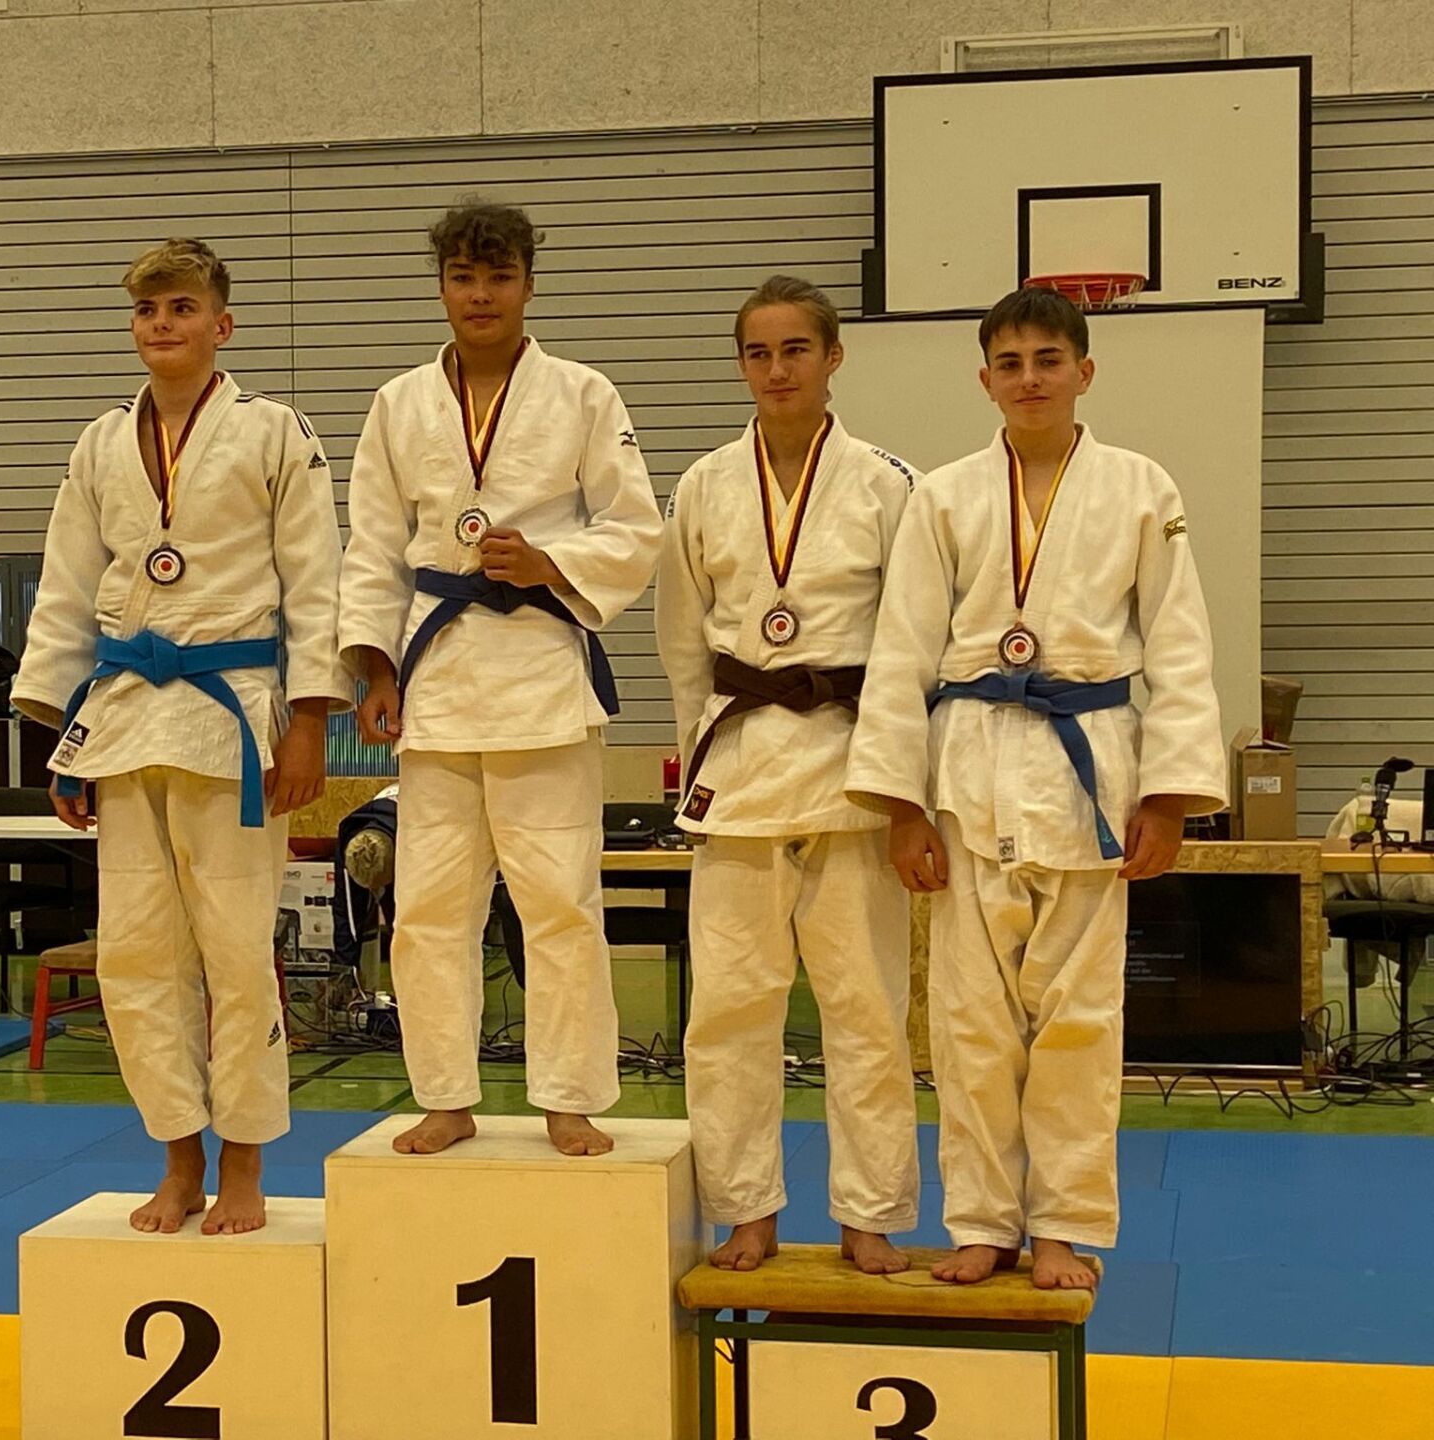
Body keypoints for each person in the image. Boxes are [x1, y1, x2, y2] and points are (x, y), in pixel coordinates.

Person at [845, 287, 1227, 1290]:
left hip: (1089, 776)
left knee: (1080, 1023)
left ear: (1084, 371)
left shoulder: (1142, 488)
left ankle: (1062, 1225)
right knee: (968, 1023)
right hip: (969, 772)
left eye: (1048, 360)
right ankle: (982, 1222)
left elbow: (1179, 645)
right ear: (985, 380)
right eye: (1010, 363)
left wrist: (1170, 797)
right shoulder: (945, 497)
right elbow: (902, 651)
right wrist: (901, 806)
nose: (1029, 379)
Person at [11, 238, 347, 1237]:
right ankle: (176, 1157)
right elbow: (67, 586)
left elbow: (315, 579)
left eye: (183, 308)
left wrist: (310, 721)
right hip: (124, 714)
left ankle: (244, 1162)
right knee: (134, 957)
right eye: (149, 309)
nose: (163, 324)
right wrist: (59, 730)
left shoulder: (276, 432)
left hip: (231, 711)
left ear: (221, 325)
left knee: (236, 953)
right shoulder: (99, 443)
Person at [338, 202, 663, 1157]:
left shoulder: (584, 394)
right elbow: (373, 548)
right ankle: (445, 1096)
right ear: (441, 285)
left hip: (540, 680)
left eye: (499, 276)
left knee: (559, 902)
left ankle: (570, 1097)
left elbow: (635, 526)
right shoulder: (399, 404)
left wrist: (551, 562)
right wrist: (373, 667)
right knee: (430, 908)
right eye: (463, 277)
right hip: (436, 681)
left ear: (528, 282)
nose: (480, 295)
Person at [655, 277, 919, 1274]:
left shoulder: (889, 485)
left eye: (795, 349)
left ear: (833, 357)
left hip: (854, 777)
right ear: (741, 365)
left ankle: (871, 1214)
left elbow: (913, 645)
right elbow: (683, 640)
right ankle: (746, 1209)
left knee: (867, 1013)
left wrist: (904, 789)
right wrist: (703, 753)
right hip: (742, 775)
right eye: (759, 353)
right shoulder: (704, 486)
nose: (777, 370)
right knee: (729, 1014)